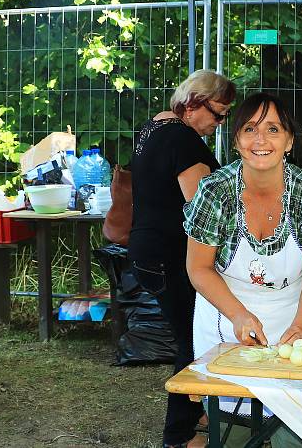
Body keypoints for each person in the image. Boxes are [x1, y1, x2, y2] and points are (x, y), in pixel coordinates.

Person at [185, 92, 302, 447]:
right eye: (250, 129)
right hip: (226, 321)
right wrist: (238, 315)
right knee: (231, 433)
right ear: (236, 140)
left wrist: (300, 327)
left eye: (273, 129)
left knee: (295, 434)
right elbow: (199, 268)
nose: (261, 140)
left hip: (295, 320)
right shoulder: (215, 192)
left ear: (289, 141)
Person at [129, 69, 236, 448]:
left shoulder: (151, 129)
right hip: (171, 254)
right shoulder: (185, 140)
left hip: (144, 249)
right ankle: (179, 436)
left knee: (189, 335)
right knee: (194, 340)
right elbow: (201, 210)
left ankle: (201, 412)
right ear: (194, 103)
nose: (220, 123)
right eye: (218, 113)